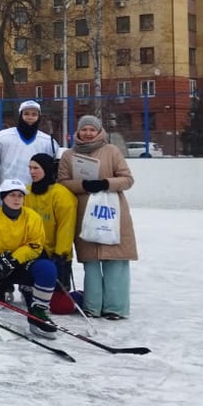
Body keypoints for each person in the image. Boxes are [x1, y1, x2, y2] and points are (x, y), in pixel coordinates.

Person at [57, 115, 137, 320]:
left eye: (92, 129)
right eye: (84, 129)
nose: (88, 133)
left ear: (99, 131)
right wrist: (83, 185)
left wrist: (105, 183)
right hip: (85, 213)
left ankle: (115, 307)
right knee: (91, 262)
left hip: (112, 213)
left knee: (115, 261)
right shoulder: (69, 155)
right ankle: (93, 307)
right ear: (78, 131)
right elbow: (63, 182)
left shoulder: (112, 151)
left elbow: (127, 179)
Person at [0, 179, 57, 338]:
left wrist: (12, 259)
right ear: (3, 197)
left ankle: (38, 311)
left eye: (20, 195)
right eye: (12, 195)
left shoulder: (33, 217)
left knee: (47, 268)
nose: (17, 199)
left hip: (20, 266)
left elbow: (36, 245)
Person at [24, 154, 77, 294]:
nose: (31, 172)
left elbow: (66, 227)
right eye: (30, 168)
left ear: (47, 169)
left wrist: (60, 254)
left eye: (36, 168)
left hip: (56, 255)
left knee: (59, 304)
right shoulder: (26, 192)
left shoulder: (62, 195)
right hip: (33, 251)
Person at [0, 100, 60, 204]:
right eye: (26, 113)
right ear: (20, 115)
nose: (30, 117)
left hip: (35, 197)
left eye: (34, 114)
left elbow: (50, 172)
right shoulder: (2, 137)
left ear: (39, 117)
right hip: (5, 196)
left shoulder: (48, 142)